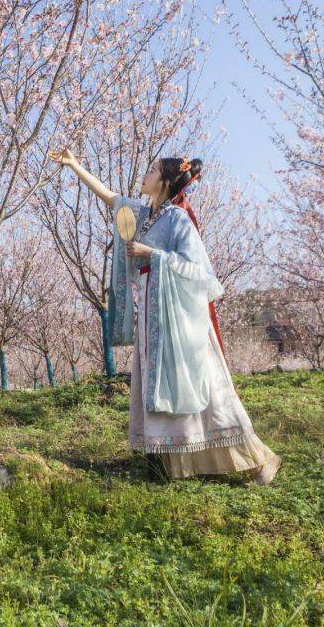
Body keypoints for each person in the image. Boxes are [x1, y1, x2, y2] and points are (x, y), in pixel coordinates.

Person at [51, 149, 281, 484]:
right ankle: (175, 465)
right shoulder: (142, 214)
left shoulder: (177, 218)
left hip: (178, 318)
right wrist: (74, 166)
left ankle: (258, 460)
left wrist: (152, 253)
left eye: (152, 170)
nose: (145, 174)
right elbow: (109, 197)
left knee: (204, 386)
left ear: (166, 181)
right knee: (160, 385)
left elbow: (199, 270)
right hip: (151, 313)